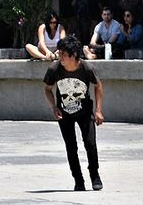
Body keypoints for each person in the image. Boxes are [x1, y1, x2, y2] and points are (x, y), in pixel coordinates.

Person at [43, 35, 104, 191]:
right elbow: (48, 89)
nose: (60, 56)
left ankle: (94, 175)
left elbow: (98, 86)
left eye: (63, 53)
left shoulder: (86, 69)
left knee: (90, 144)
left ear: (74, 55)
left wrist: (98, 110)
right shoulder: (54, 70)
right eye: (59, 53)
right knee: (71, 147)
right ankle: (78, 179)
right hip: (64, 114)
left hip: (85, 112)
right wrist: (54, 107)